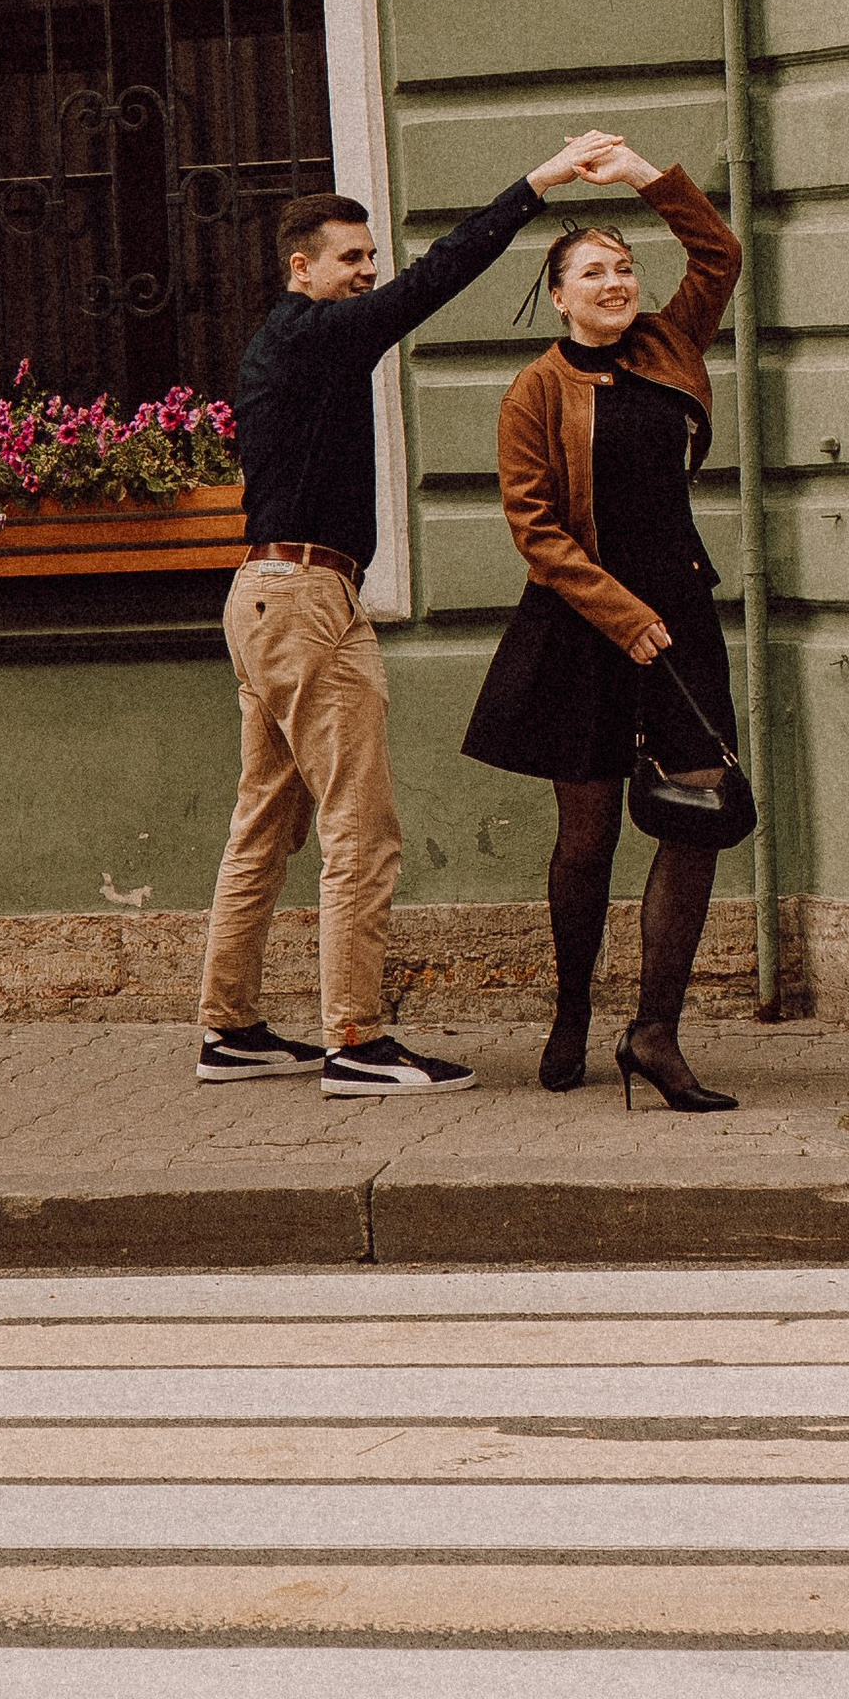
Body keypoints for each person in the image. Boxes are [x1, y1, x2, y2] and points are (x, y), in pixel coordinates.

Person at [197, 128, 627, 1099]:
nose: (367, 274)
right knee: (362, 830)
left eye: (369, 259)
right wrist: (537, 185)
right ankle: (355, 1040)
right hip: (306, 603)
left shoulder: (290, 342)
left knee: (264, 822)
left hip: (270, 596)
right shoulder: (313, 333)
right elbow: (433, 282)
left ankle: (229, 1030)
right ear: (302, 268)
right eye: (350, 260)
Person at [462, 144, 745, 1111]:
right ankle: (574, 1007)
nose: (618, 281)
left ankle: (656, 1032)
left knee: (695, 814)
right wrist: (622, 618)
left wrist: (642, 178)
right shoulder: (534, 392)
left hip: (682, 612)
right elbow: (536, 531)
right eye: (596, 272)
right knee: (586, 837)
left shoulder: (671, 342)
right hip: (583, 623)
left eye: (625, 267)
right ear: (559, 297)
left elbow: (720, 255)